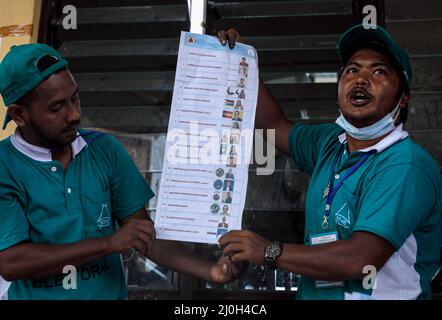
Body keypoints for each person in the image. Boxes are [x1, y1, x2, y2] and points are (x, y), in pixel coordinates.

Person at [0, 44, 243, 300]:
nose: (74, 114)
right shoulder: (5, 165)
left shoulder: (104, 150)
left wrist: (211, 270)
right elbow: (13, 262)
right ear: (19, 114)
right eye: (56, 107)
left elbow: (141, 234)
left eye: (75, 98)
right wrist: (108, 244)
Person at [217, 25, 442, 300]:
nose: (361, 79)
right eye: (352, 70)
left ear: (403, 97)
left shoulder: (404, 164)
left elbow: (360, 260)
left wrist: (269, 250)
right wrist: (240, 62)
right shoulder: (330, 142)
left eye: (379, 71)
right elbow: (273, 126)